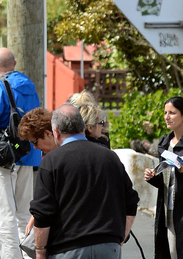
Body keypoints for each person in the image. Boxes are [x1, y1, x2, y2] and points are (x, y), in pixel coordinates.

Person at [30, 104, 139, 258]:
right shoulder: (110, 157)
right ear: (83, 127)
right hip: (108, 246)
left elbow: (43, 213)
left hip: (68, 248)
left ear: (56, 131)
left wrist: (40, 251)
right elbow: (131, 201)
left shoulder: (51, 162)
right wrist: (120, 237)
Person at [0, 47, 42, 259]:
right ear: (14, 64)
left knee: (4, 216)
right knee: (24, 213)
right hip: (28, 153)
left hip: (4, 157)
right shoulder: (29, 85)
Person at [145, 96, 183, 259]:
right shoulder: (165, 143)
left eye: (172, 113)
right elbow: (165, 181)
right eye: (165, 112)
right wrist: (152, 176)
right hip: (169, 210)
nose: (167, 117)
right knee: (171, 252)